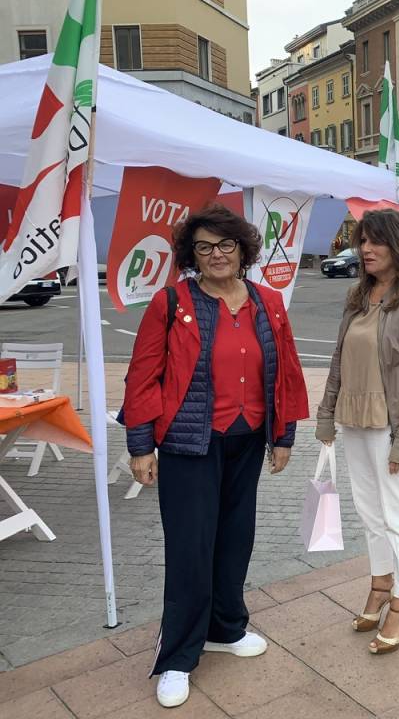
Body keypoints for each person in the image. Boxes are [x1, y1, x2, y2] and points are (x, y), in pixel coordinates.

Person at [123, 204, 308, 708]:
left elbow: (284, 369)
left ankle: (225, 627)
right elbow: (143, 376)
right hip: (188, 444)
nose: (216, 255)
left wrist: (283, 433)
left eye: (225, 245)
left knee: (234, 539)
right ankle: (178, 656)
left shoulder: (266, 301)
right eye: (204, 247)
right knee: (190, 549)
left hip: (246, 438)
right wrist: (141, 445)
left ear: (243, 250)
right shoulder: (170, 302)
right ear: (191, 254)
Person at [315, 208, 399, 655]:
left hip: (392, 423)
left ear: (398, 244)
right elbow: (338, 358)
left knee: (398, 515)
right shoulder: (358, 294)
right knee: (369, 513)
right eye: (361, 240)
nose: (365, 249)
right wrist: (326, 413)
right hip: (353, 417)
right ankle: (382, 582)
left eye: (375, 241)